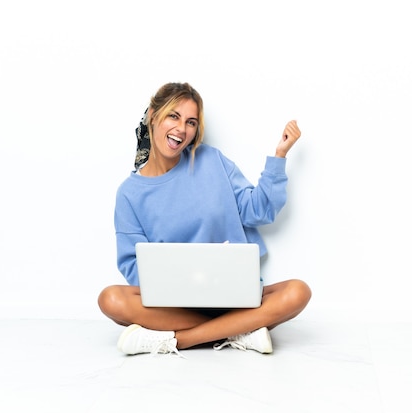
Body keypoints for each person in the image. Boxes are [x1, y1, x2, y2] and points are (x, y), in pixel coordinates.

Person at [97, 82, 312, 356]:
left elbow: (260, 210)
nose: (181, 129)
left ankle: (177, 341)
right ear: (153, 115)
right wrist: (173, 277)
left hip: (234, 297)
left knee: (297, 292)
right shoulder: (129, 194)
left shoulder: (212, 161)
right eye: (173, 116)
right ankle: (239, 331)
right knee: (111, 299)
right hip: (173, 306)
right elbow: (132, 266)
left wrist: (279, 156)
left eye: (191, 122)